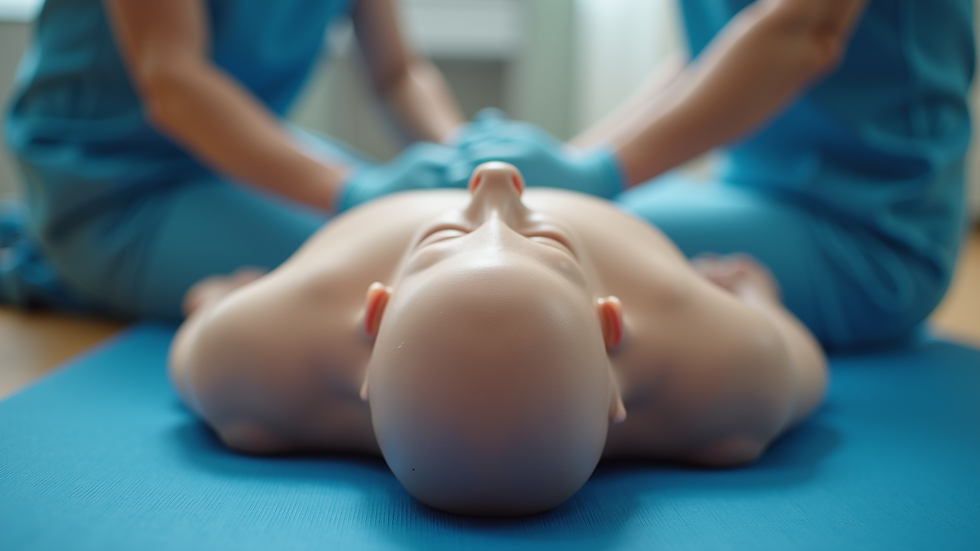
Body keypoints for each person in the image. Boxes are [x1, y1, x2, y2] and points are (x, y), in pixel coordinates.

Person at [169, 162, 827, 516]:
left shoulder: (255, 359)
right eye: (550, 245)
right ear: (610, 326)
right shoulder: (731, 372)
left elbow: (198, 338)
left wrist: (215, 299)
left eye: (443, 240)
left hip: (381, 201)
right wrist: (753, 296)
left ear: (375, 316)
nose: (492, 179)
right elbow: (805, 360)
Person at [455, 0, 975, 349]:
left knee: (542, 241)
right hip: (750, 196)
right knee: (524, 222)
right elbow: (709, 60)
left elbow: (804, 31)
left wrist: (596, 173)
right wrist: (572, 164)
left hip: (872, 236)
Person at [4, 0, 469, 319]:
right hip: (112, 187)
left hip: (233, 163)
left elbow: (397, 74)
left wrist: (465, 153)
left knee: (433, 226)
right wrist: (354, 191)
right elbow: (174, 82)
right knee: (401, 264)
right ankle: (58, 261)